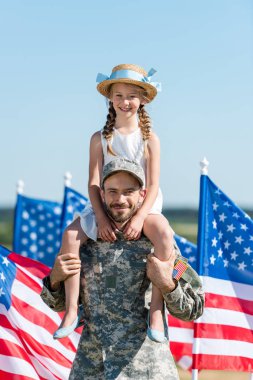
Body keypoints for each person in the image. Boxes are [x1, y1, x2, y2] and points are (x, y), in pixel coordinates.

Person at [41, 158, 205, 379]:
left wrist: (167, 284)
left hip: (146, 369)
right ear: (101, 195)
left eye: (129, 191)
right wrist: (54, 279)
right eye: (113, 191)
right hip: (93, 368)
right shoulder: (84, 240)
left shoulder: (160, 242)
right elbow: (57, 305)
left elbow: (194, 308)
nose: (120, 199)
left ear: (142, 195)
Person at [54, 63, 175, 342]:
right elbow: (94, 182)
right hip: (106, 205)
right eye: (118, 95)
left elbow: (153, 185)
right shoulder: (100, 138)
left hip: (143, 205)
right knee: (71, 236)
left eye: (132, 96)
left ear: (143, 99)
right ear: (110, 98)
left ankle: (156, 310)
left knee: (165, 236)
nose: (125, 102)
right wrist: (102, 217)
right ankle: (72, 309)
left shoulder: (149, 140)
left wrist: (139, 218)